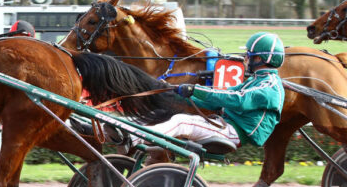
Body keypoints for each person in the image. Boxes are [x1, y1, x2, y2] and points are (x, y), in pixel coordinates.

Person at [116, 32, 286, 150]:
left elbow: (236, 99)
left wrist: (195, 89)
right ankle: (121, 129)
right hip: (225, 124)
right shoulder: (257, 80)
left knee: (182, 122)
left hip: (234, 133)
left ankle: (133, 138)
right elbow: (216, 99)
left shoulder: (269, 86)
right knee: (174, 115)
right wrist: (177, 94)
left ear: (261, 59)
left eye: (249, 55)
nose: (245, 58)